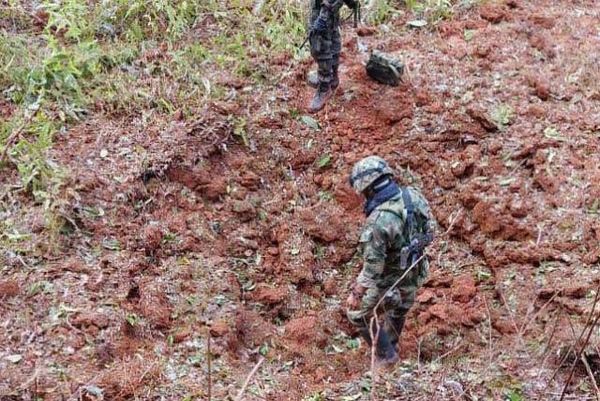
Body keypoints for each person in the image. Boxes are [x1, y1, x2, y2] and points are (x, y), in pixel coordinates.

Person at [346, 156, 435, 366]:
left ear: (369, 189)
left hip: (392, 277)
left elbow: (372, 270)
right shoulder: (413, 196)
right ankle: (392, 344)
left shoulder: (379, 221)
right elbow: (430, 232)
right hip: (416, 270)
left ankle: (386, 356)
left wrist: (356, 294)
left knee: (356, 314)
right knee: (401, 307)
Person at [307, 0, 358, 112]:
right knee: (332, 36)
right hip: (330, 8)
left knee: (320, 47)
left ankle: (324, 87)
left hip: (325, 8)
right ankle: (332, 78)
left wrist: (323, 16)